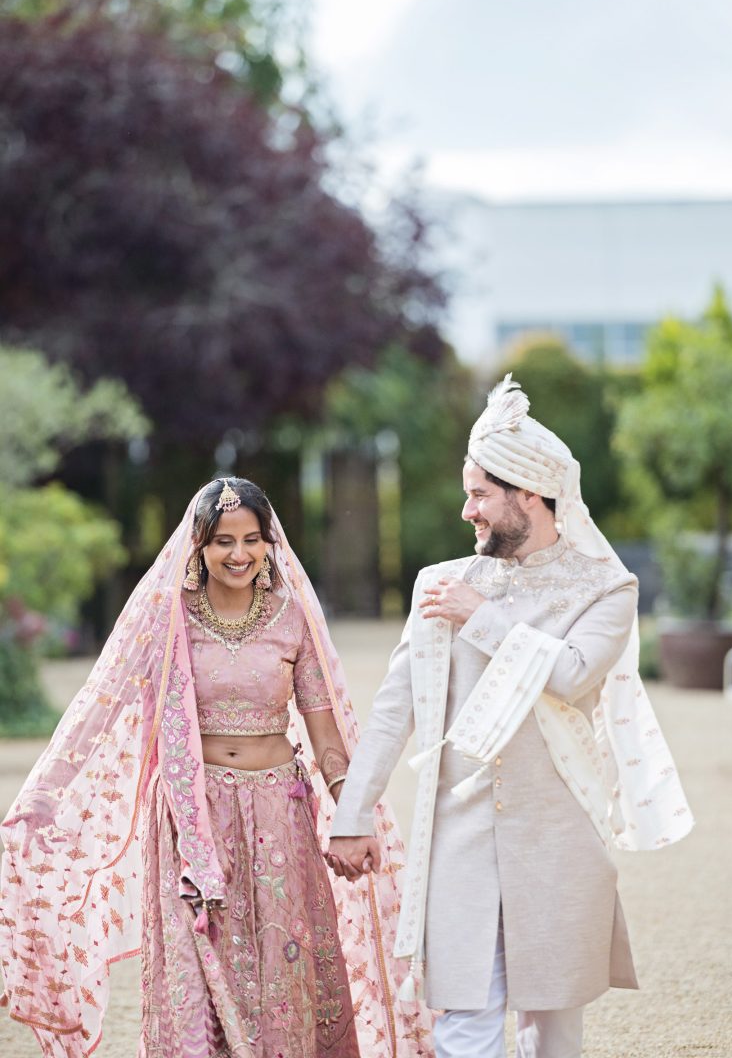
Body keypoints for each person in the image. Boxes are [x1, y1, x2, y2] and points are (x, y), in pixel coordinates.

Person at [0, 476, 434, 1058]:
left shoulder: (290, 618)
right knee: (194, 979)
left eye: (253, 540)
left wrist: (352, 814)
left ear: (269, 544)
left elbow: (324, 731)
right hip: (189, 818)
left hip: (279, 813)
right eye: (223, 541)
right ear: (198, 547)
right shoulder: (167, 619)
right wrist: (45, 797)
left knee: (282, 977)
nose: (239, 554)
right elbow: (102, 711)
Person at [327, 377, 694, 1058]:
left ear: (529, 495)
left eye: (480, 494)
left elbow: (575, 672)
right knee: (463, 1033)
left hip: (559, 844)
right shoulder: (440, 582)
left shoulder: (607, 589)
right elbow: (393, 709)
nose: (467, 510)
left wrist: (482, 617)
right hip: (458, 842)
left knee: (552, 1039)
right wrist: (352, 814)